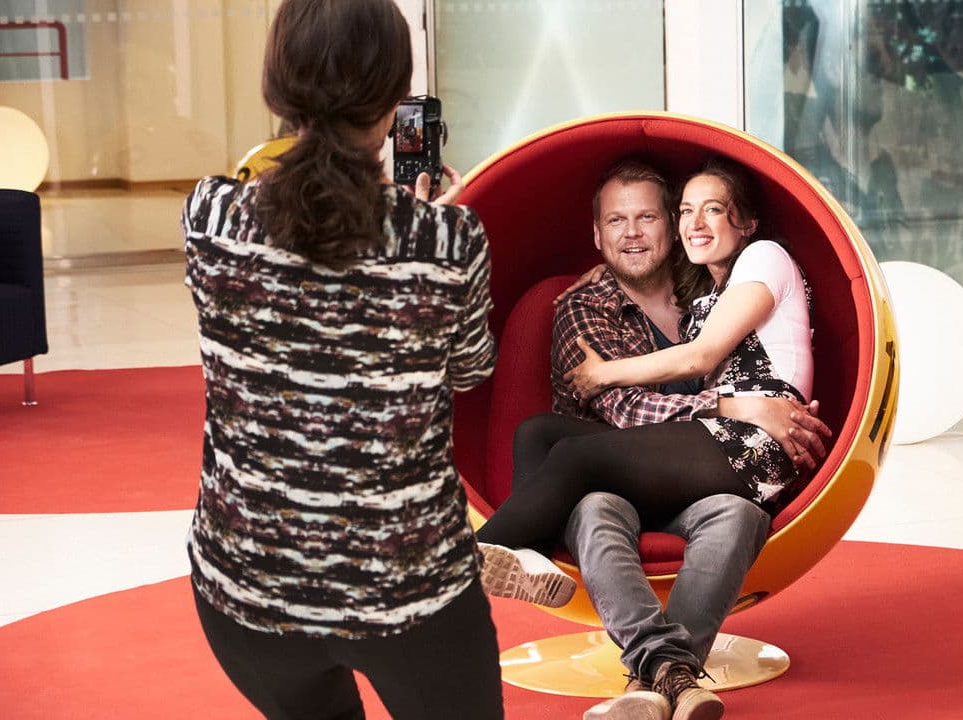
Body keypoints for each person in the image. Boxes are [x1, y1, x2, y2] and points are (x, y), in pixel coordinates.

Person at [181, 1, 501, 718]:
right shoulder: (447, 241)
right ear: (395, 99)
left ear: (276, 85)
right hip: (408, 587)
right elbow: (469, 370)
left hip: (246, 586)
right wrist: (426, 216)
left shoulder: (208, 215)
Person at [478, 158, 823, 720]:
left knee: (721, 508)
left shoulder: (738, 270)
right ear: (598, 234)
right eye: (617, 222)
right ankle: (672, 682)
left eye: (649, 218)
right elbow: (624, 410)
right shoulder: (594, 305)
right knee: (541, 434)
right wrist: (731, 402)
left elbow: (701, 357)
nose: (633, 234)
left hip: (736, 453)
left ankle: (473, 562)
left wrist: (611, 373)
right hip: (656, 465)